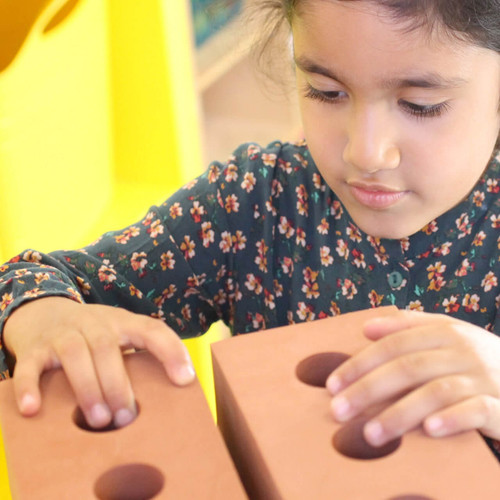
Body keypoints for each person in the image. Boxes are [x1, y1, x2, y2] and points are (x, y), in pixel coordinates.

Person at [1, 0, 500, 459]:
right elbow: (37, 280)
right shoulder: (253, 205)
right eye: (326, 92)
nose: (364, 153)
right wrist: (41, 317)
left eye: (420, 105)